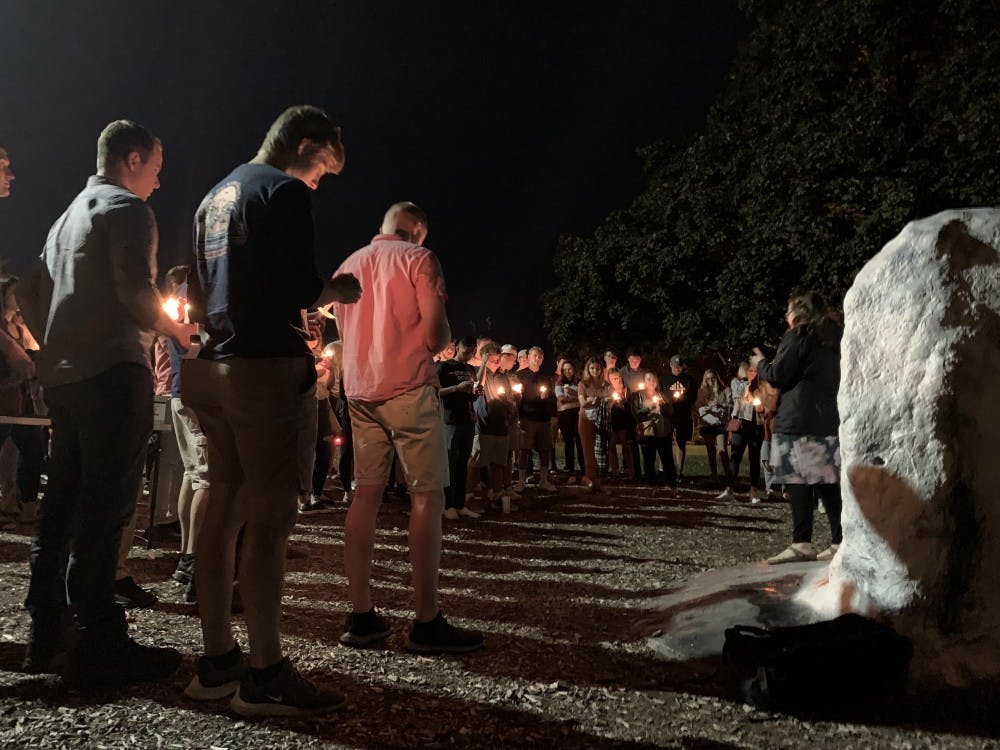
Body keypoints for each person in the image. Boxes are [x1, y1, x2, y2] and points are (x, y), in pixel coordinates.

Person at [183, 105, 360, 716]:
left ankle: (215, 660)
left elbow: (200, 290)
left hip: (215, 363)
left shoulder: (214, 195)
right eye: (322, 172)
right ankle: (265, 671)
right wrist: (336, 292)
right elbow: (296, 285)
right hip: (264, 366)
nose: (318, 183)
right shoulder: (281, 191)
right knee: (272, 512)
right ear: (305, 145)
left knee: (220, 497)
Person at [17, 120, 187, 684]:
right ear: (132, 158)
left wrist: (55, 344)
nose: (158, 184)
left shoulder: (65, 218)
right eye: (157, 170)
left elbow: (26, 292)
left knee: (60, 504)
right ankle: (98, 641)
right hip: (113, 371)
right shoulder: (127, 210)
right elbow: (137, 291)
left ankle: (45, 634)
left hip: (64, 378)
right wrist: (178, 334)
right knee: (106, 507)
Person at [331, 201, 484, 655]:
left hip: (361, 391)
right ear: (416, 229)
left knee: (366, 492)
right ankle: (426, 617)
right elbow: (437, 336)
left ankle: (360, 613)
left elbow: (343, 327)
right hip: (409, 388)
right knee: (427, 494)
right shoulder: (419, 259)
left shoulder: (350, 264)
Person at [755, 291, 843, 564]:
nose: (786, 316)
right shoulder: (833, 340)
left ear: (797, 314)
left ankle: (801, 541)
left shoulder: (798, 337)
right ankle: (841, 539)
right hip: (825, 416)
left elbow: (778, 375)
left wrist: (760, 363)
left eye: (788, 311)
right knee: (826, 480)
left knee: (798, 478)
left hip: (797, 417)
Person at [0, 275, 45, 523]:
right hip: (4, 396)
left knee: (33, 449)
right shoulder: (3, 330)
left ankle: (28, 505)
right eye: (14, 293)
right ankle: (11, 499)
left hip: (21, 398)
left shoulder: (20, 328)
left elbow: (34, 354)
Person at [436, 336, 479, 520]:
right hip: (451, 421)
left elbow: (472, 396)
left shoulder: (470, 369)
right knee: (450, 463)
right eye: (465, 352)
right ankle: (447, 505)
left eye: (471, 352)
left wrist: (476, 393)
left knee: (463, 463)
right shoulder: (445, 367)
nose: (468, 355)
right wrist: (456, 388)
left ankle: (460, 504)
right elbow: (436, 391)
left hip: (468, 421)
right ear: (458, 349)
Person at [513, 346, 557, 491]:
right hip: (527, 417)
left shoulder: (546, 376)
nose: (537, 359)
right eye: (535, 356)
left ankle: (543, 480)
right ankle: (521, 482)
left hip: (543, 418)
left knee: (545, 449)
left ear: (543, 359)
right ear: (529, 357)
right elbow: (515, 398)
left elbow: (552, 397)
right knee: (524, 450)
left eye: (540, 357)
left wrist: (548, 401)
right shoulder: (520, 375)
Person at [631, 371, 677, 489]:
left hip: (663, 432)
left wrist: (662, 407)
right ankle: (653, 486)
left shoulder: (662, 395)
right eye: (649, 379)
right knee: (649, 460)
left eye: (654, 379)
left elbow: (671, 412)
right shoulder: (638, 396)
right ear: (645, 382)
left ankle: (673, 487)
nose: (652, 382)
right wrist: (647, 409)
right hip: (648, 432)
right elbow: (636, 414)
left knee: (668, 460)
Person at [729, 360, 767, 502]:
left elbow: (763, 405)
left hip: (755, 425)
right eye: (749, 371)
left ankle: (753, 491)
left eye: (755, 371)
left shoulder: (762, 387)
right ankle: (729, 488)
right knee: (735, 456)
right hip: (740, 423)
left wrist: (760, 405)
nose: (752, 373)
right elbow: (738, 396)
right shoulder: (737, 383)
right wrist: (747, 389)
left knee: (754, 458)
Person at [694, 369, 734, 499]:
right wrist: (705, 409)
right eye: (708, 379)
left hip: (720, 424)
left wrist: (720, 407)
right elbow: (698, 407)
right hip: (707, 423)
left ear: (717, 378)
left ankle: (729, 479)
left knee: (722, 450)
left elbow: (729, 405)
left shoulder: (725, 390)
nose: (710, 381)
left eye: (713, 378)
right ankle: (715, 477)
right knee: (711, 451)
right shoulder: (702, 392)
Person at [577, 358, 610, 492]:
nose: (595, 371)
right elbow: (582, 403)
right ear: (588, 369)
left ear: (601, 369)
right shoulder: (583, 384)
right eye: (592, 368)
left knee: (601, 447)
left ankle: (599, 476)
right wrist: (591, 400)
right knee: (588, 449)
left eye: (597, 368)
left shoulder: (606, 384)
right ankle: (591, 477)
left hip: (601, 419)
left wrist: (608, 400)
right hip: (586, 419)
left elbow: (610, 399)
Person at [665, 355, 696, 480]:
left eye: (679, 366)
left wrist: (683, 399)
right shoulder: (664, 379)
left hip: (683, 415)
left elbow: (693, 397)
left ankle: (679, 472)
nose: (677, 369)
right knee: (665, 442)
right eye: (675, 366)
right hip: (668, 414)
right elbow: (661, 394)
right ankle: (664, 470)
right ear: (671, 365)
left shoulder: (689, 380)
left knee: (680, 443)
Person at [618, 347, 646, 478]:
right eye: (633, 359)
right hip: (628, 410)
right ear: (628, 359)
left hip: (642, 410)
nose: (635, 362)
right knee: (631, 442)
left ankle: (647, 469)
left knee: (644, 441)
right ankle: (634, 470)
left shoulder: (644, 373)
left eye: (638, 360)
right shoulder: (622, 372)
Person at [554, 359, 583, 484]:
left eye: (570, 369)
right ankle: (570, 469)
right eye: (565, 369)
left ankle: (584, 469)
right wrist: (577, 397)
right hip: (565, 416)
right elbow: (561, 400)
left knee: (580, 442)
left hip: (578, 414)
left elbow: (584, 397)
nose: (567, 371)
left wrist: (572, 394)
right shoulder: (559, 384)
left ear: (574, 370)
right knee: (568, 443)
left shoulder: (580, 383)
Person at [606, 368, 635, 480]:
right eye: (614, 378)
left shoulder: (626, 390)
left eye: (618, 377)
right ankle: (615, 471)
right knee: (612, 445)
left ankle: (630, 470)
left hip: (624, 422)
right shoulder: (608, 391)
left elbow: (631, 406)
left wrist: (623, 404)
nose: (617, 380)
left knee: (626, 446)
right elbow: (606, 407)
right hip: (612, 421)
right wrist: (611, 403)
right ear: (610, 380)